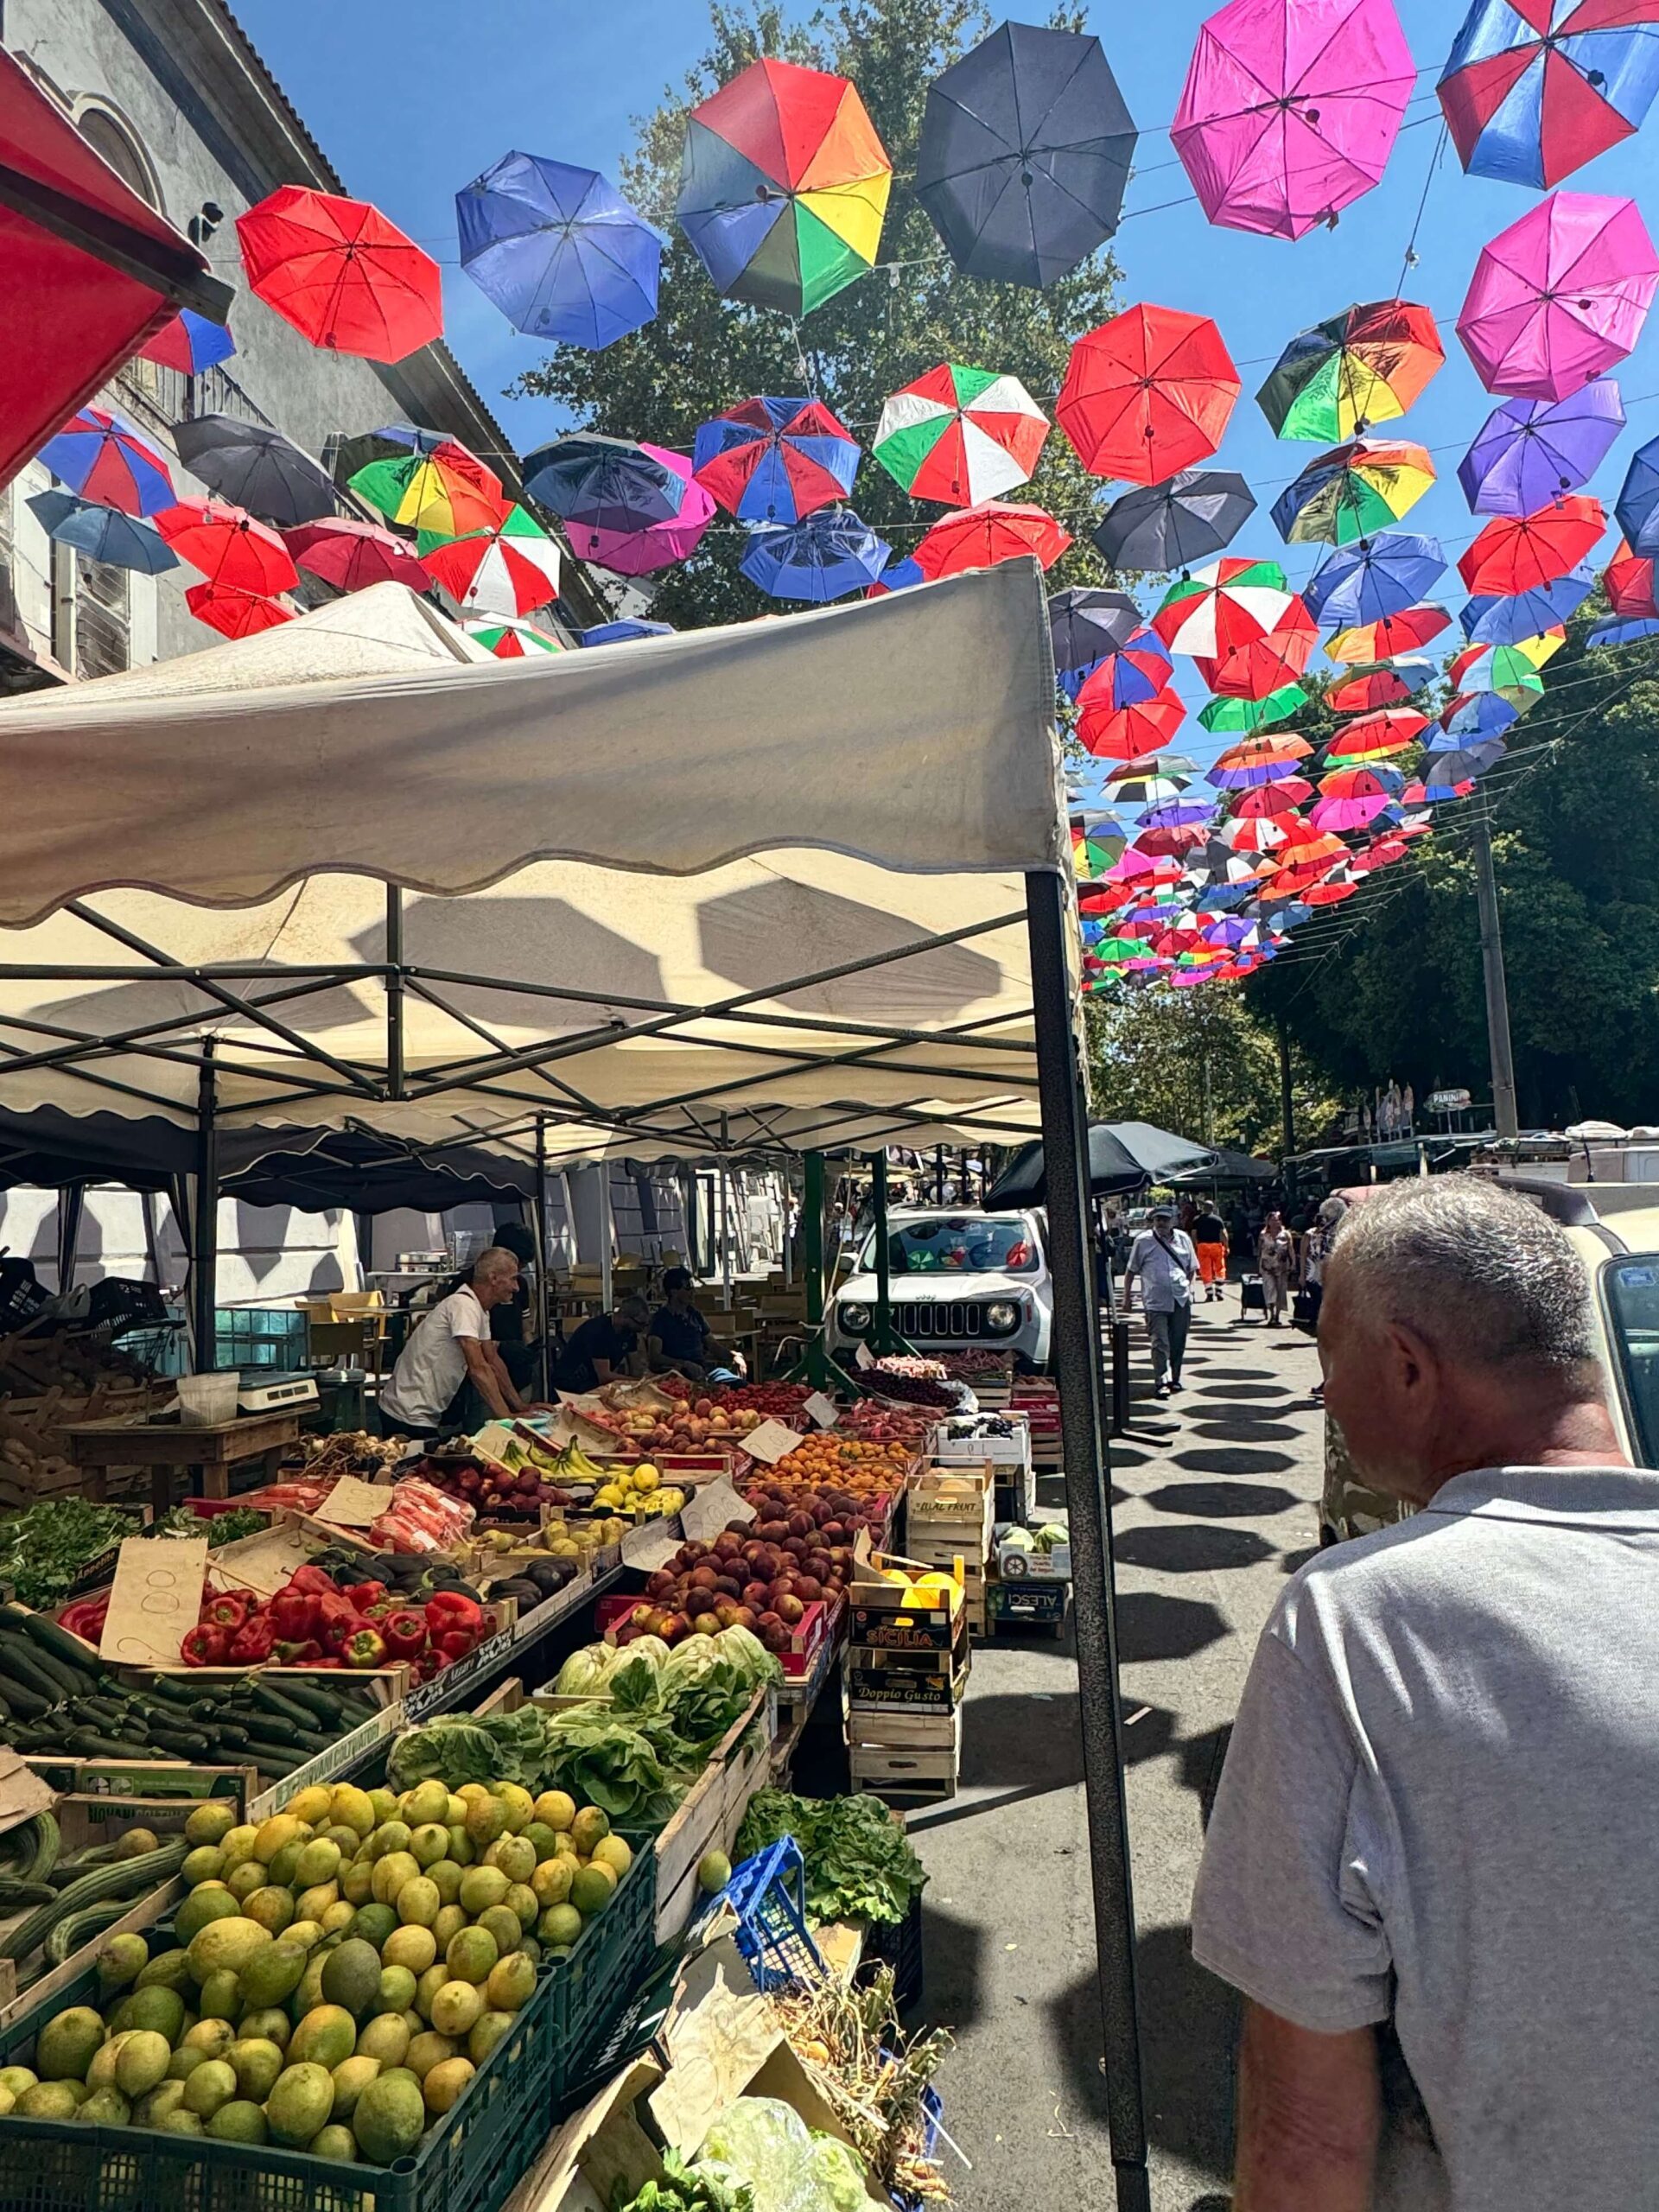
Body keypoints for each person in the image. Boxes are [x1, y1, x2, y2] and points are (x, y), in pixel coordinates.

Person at [1192, 1178, 1659, 2212]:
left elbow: (1307, 2137)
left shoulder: (1354, 1627)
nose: (1326, 1399)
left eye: (1327, 1360)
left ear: (1406, 1364)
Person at [378, 1246, 548, 1436]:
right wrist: (507, 1417)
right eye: (513, 1279)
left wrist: (520, 1406)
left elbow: (493, 1361)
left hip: (420, 1412)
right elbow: (478, 1369)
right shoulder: (463, 1305)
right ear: (493, 1278)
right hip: (407, 1413)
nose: (516, 1287)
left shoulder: (480, 1309)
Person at [1123, 1202, 1198, 1398]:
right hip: (1155, 1301)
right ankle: (1161, 1380)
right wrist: (1127, 1297)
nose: (1161, 1223)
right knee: (1159, 1341)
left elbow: (1192, 1268)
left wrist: (1190, 1288)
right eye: (1158, 1219)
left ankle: (1175, 1378)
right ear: (1153, 1221)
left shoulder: (1184, 1239)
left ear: (1173, 1221)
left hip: (1181, 1299)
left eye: (1165, 1219)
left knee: (1178, 1341)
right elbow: (1131, 1270)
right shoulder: (1143, 1241)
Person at [647, 1266, 735, 1381]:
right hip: (676, 1374)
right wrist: (684, 1364)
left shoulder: (695, 1315)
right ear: (674, 1292)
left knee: (737, 1383)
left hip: (703, 1371)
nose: (693, 1292)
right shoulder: (661, 1319)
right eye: (688, 1287)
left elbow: (712, 1344)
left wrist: (733, 1357)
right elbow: (655, 1356)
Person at [553, 1293, 651, 1395]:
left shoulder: (629, 1332)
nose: (642, 1329)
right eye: (640, 1324)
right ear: (625, 1316)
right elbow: (604, 1377)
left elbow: (636, 1366)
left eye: (645, 1324)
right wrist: (637, 1381)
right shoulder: (598, 1331)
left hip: (593, 1384)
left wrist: (644, 1377)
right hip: (571, 1385)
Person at [1256, 1207, 1292, 1325]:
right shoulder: (1263, 1235)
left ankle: (1277, 1316)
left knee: (1281, 1291)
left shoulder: (1286, 1234)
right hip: (1267, 1266)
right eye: (1272, 1220)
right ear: (1268, 1221)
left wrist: (1293, 1263)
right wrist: (1258, 1266)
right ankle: (1271, 1315)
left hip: (1281, 1266)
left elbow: (1290, 1249)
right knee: (1270, 1289)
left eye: (1277, 1220)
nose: (1275, 1222)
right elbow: (1259, 1251)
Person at [1192, 1200, 1230, 1301]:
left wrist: (1196, 1246)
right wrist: (1226, 1246)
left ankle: (1209, 1293)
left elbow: (1194, 1234)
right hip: (1216, 1246)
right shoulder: (1218, 1219)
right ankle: (1218, 1290)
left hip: (1202, 1246)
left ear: (1203, 1208)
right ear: (1213, 1208)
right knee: (1220, 1268)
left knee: (1205, 1270)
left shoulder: (1197, 1220)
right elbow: (1224, 1234)